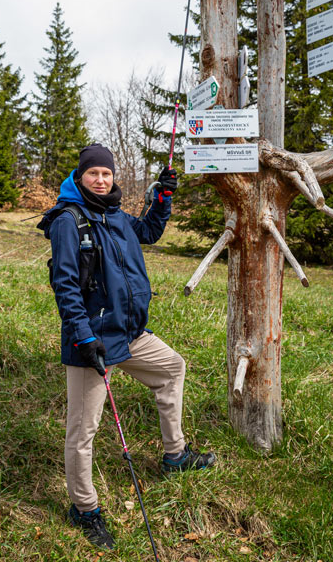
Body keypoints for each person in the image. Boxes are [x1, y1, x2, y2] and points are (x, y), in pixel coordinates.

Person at [39, 143, 215, 549]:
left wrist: (163, 196)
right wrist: (84, 337)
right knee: (84, 430)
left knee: (172, 367)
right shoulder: (70, 220)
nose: (101, 180)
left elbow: (150, 231)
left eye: (106, 173)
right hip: (92, 341)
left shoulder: (114, 214)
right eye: (93, 174)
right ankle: (84, 509)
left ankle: (176, 456)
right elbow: (64, 284)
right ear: (80, 177)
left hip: (130, 334)